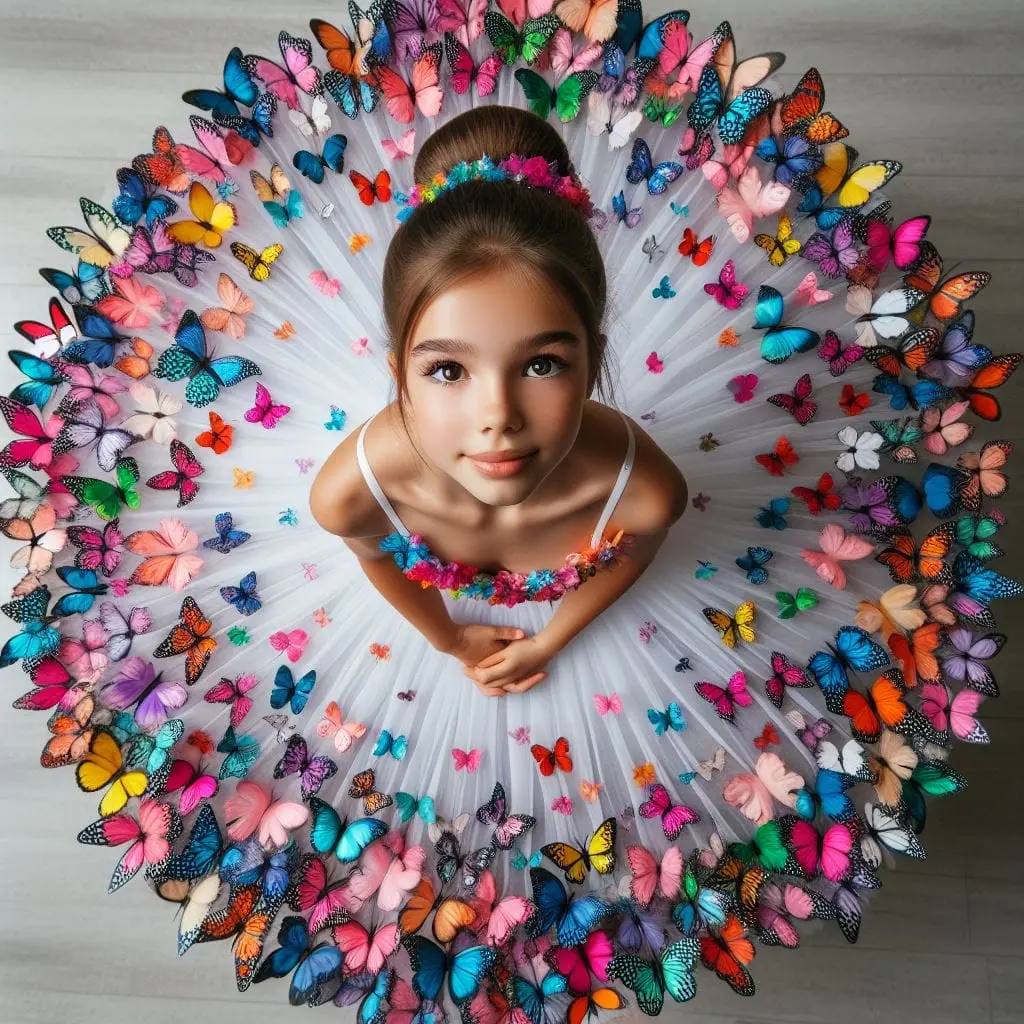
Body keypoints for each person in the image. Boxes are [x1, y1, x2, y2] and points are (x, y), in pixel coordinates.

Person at [2, 8, 1018, 1017]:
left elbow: (633, 551)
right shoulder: (351, 486)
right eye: (446, 369)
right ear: (397, 368)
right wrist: (444, 635)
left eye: (542, 362)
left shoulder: (640, 482)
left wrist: (555, 633)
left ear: (591, 353)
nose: (495, 419)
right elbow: (372, 556)